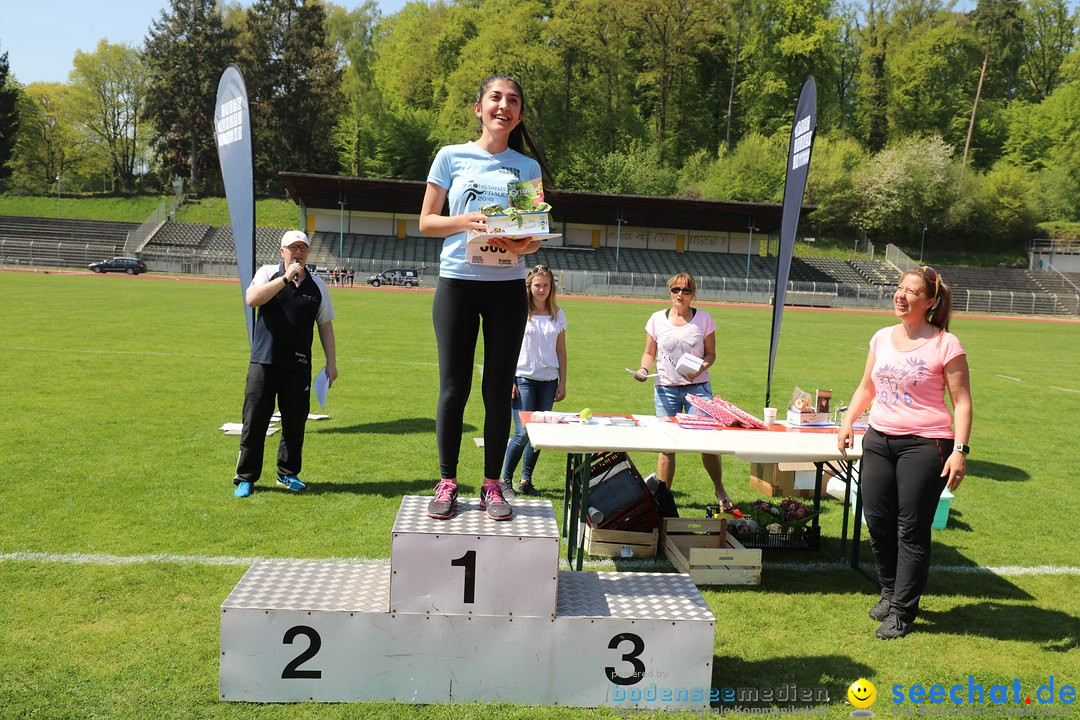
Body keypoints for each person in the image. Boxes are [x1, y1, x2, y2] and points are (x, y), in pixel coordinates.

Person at [419, 74, 543, 521]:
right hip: (457, 284)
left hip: (507, 288)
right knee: (454, 388)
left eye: (513, 100)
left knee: (497, 391)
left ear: (519, 115)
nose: (503, 106)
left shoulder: (526, 168)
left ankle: (493, 485)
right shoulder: (451, 157)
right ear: (479, 108)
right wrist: (467, 221)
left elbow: (533, 238)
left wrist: (521, 245)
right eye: (495, 98)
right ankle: (448, 481)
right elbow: (427, 222)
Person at [838, 266, 972, 639]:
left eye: (911, 291)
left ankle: (902, 611)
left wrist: (959, 451)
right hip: (879, 439)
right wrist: (849, 420)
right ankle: (888, 591)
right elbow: (866, 387)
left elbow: (961, 403)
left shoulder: (946, 344)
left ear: (929, 302)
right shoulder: (881, 337)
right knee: (877, 522)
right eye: (899, 288)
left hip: (926, 444)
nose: (901, 295)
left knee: (910, 531)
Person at [232, 230, 338, 498]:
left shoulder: (318, 285)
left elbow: (325, 325)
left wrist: (331, 363)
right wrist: (284, 279)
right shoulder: (268, 273)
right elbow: (252, 299)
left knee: (295, 424)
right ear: (282, 251)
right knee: (254, 421)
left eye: (303, 248)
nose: (298, 252)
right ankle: (246, 478)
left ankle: (288, 473)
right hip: (264, 362)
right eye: (293, 248)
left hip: (298, 366)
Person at [633, 273, 732, 510]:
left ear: (693, 295)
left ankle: (720, 489)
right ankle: (664, 500)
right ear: (670, 292)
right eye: (676, 290)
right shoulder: (656, 319)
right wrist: (644, 369)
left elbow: (711, 354)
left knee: (707, 443)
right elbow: (649, 352)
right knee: (667, 446)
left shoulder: (704, 319)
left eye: (686, 291)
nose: (680, 295)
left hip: (698, 389)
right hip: (666, 389)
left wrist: (701, 368)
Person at [500, 264, 567, 498]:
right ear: (529, 286)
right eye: (537, 285)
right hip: (524, 379)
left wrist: (563, 382)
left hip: (548, 381)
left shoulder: (557, 314)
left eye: (546, 285)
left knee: (538, 435)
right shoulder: (519, 312)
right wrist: (509, 380)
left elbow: (561, 350)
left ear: (551, 288)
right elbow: (506, 348)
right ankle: (504, 481)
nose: (541, 290)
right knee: (522, 433)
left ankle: (526, 480)